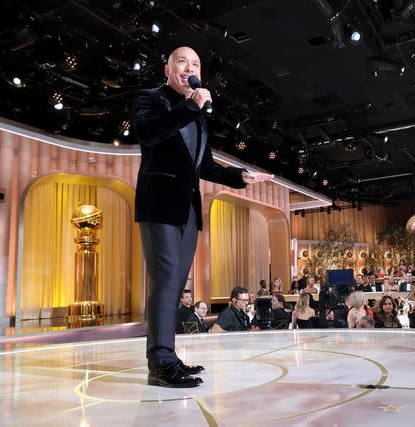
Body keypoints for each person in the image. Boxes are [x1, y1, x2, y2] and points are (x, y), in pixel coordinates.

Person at [133, 46, 273, 388]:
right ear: (168, 68)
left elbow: (205, 166)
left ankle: (168, 355)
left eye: (195, 64)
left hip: (189, 210)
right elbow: (149, 133)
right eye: (183, 61)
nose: (189, 67)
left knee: (175, 284)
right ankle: (160, 361)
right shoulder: (150, 98)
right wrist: (190, 106)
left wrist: (240, 176)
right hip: (159, 204)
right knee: (164, 281)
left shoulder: (196, 115)